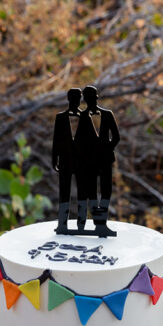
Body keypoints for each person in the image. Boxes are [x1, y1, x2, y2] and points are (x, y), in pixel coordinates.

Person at [78, 84, 120, 236]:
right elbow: (80, 141)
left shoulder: (107, 114)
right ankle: (97, 223)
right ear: (85, 99)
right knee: (92, 193)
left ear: (96, 98)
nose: (91, 100)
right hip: (90, 161)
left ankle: (102, 223)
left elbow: (116, 136)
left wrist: (108, 148)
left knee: (106, 191)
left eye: (93, 98)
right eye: (88, 98)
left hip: (106, 159)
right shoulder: (82, 117)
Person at [52, 87, 88, 233]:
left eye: (78, 98)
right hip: (65, 161)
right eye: (73, 98)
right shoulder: (60, 118)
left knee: (82, 193)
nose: (76, 101)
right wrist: (55, 159)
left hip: (81, 162)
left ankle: (81, 224)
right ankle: (62, 223)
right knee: (64, 193)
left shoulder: (86, 117)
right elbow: (56, 141)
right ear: (68, 99)